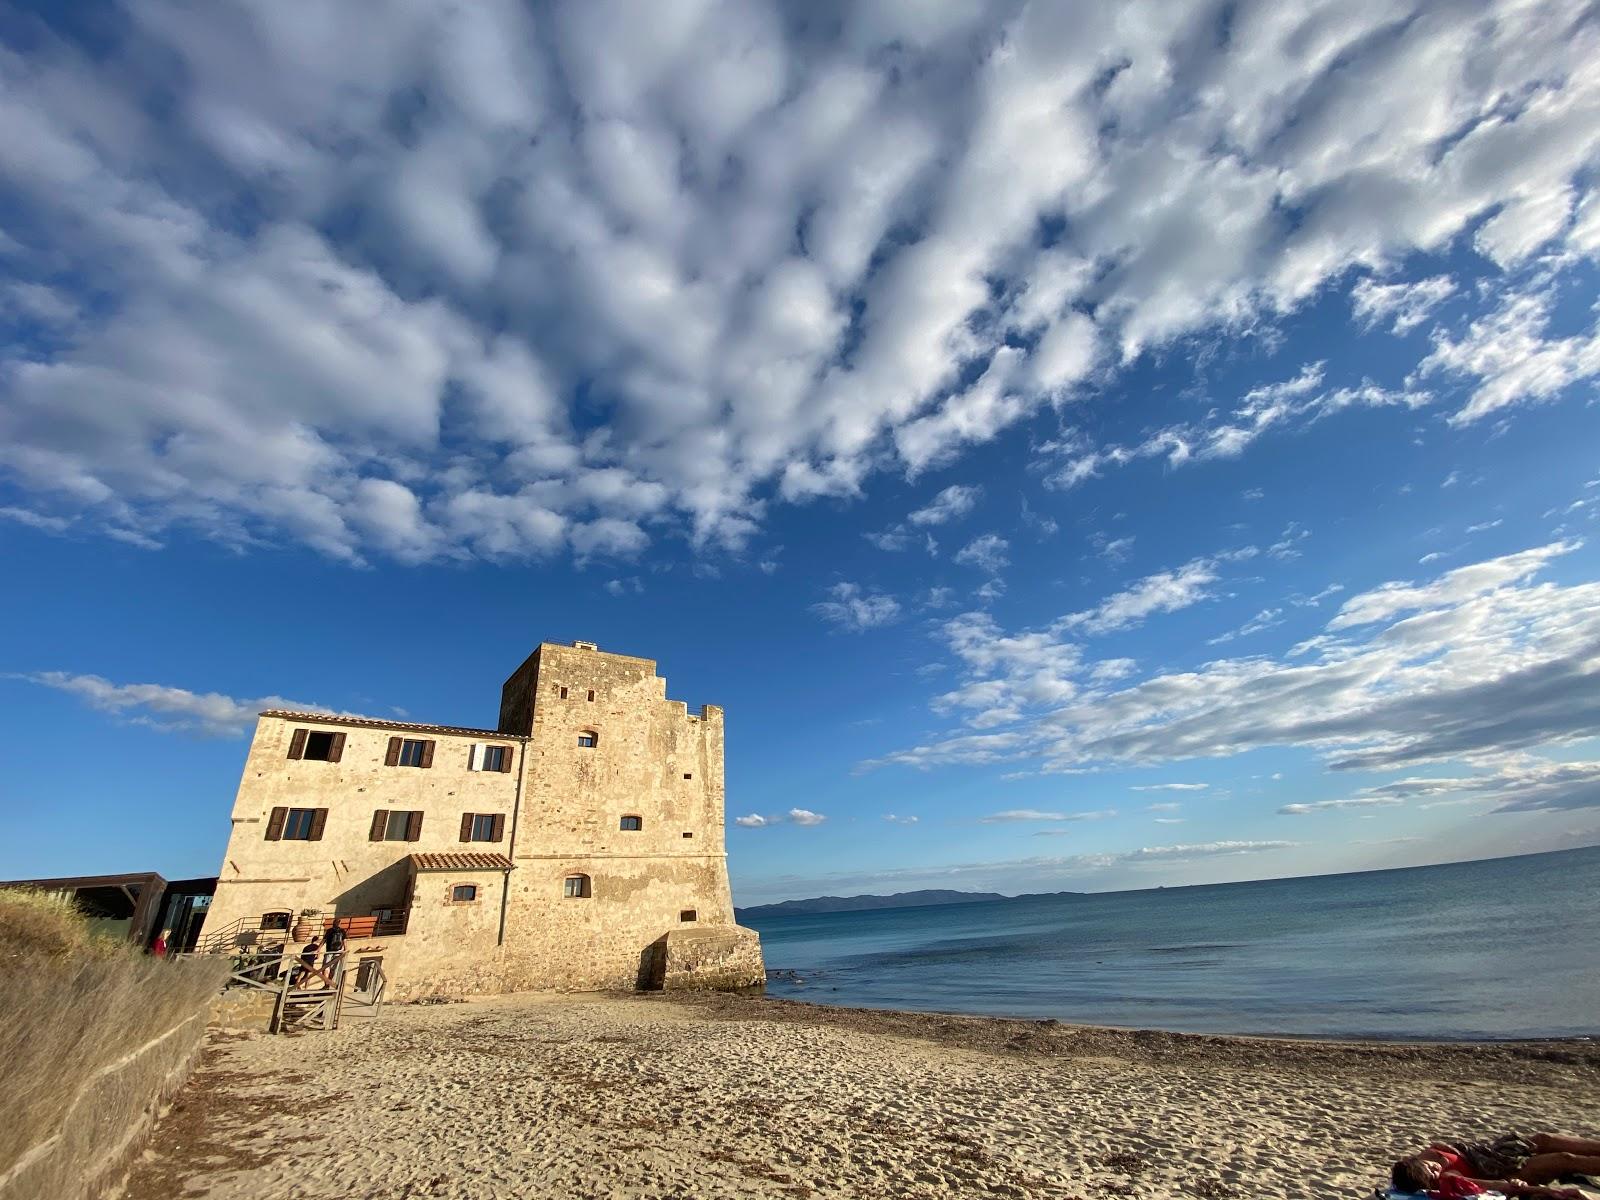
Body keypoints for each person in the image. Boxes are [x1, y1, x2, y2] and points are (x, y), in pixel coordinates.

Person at [1391, 1132, 1600, 1196]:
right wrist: (1555, 1193)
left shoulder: (1424, 1155)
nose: (1435, 1171)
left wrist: (1447, 1149)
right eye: (1432, 1177)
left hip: (1492, 1155)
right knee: (1564, 1159)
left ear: (1415, 1160)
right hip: (1505, 1172)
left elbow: (1441, 1145)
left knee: (1543, 1139)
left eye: (1429, 1169)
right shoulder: (1448, 1179)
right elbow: (1496, 1185)